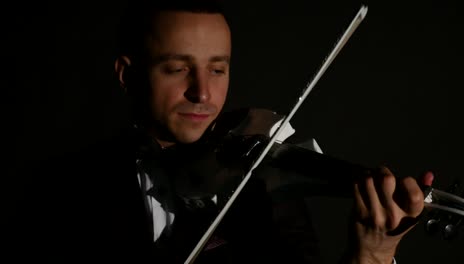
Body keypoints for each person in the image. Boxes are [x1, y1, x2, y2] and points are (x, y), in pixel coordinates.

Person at [8, 0, 433, 263]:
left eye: (218, 68)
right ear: (127, 75)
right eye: (177, 69)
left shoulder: (262, 187)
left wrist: (371, 256)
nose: (203, 93)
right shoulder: (60, 188)